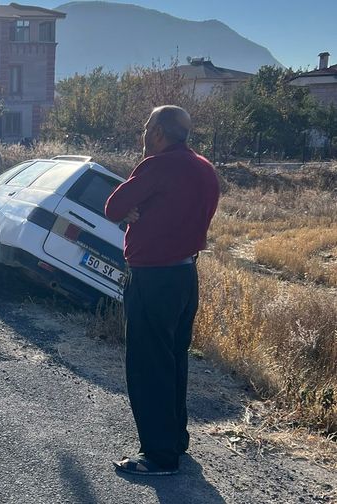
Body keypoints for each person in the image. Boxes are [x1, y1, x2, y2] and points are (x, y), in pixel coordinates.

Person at [105, 105, 220, 476]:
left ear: (157, 132)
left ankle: (158, 456)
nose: (142, 133)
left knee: (148, 365)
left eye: (145, 126)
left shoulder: (157, 165)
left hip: (153, 278)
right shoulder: (204, 167)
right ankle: (175, 440)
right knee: (173, 361)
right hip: (186, 276)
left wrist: (132, 209)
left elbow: (113, 206)